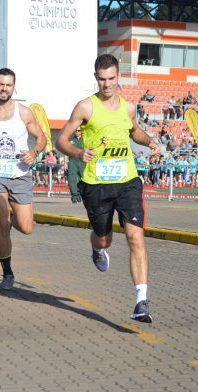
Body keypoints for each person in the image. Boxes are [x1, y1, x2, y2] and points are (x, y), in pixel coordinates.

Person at [56, 54, 161, 323]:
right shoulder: (85, 107)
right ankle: (97, 247)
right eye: (102, 79)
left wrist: (150, 142)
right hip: (96, 184)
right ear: (96, 78)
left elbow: (134, 131)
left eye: (112, 78)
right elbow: (62, 141)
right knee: (104, 238)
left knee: (135, 237)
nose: (107, 84)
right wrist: (78, 154)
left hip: (127, 181)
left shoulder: (127, 107)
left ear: (118, 77)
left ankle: (141, 301)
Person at [0, 67, 47, 290]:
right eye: (0, 84)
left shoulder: (24, 112)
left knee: (26, 227)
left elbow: (41, 137)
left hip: (19, 174)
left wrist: (34, 152)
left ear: (13, 87)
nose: (4, 88)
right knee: (2, 219)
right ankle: (7, 271)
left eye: (8, 85)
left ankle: (14, 224)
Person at [67, 129, 84, 203]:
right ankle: (74, 196)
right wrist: (65, 163)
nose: (77, 132)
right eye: (76, 131)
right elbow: (66, 150)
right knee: (71, 178)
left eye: (79, 131)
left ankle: (82, 194)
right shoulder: (71, 139)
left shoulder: (85, 138)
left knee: (83, 178)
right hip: (72, 160)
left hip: (82, 160)